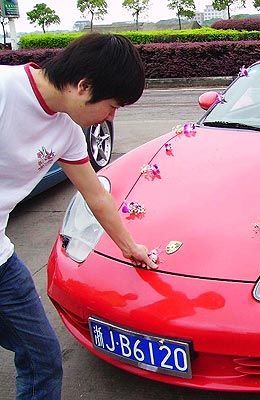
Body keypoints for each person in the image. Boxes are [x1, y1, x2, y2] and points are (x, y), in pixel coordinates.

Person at [0, 33, 157, 400]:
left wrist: (130, 247)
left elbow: (96, 196)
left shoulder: (67, 131)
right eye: (112, 105)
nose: (111, 116)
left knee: (42, 357)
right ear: (84, 86)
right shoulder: (5, 90)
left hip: (1, 260)